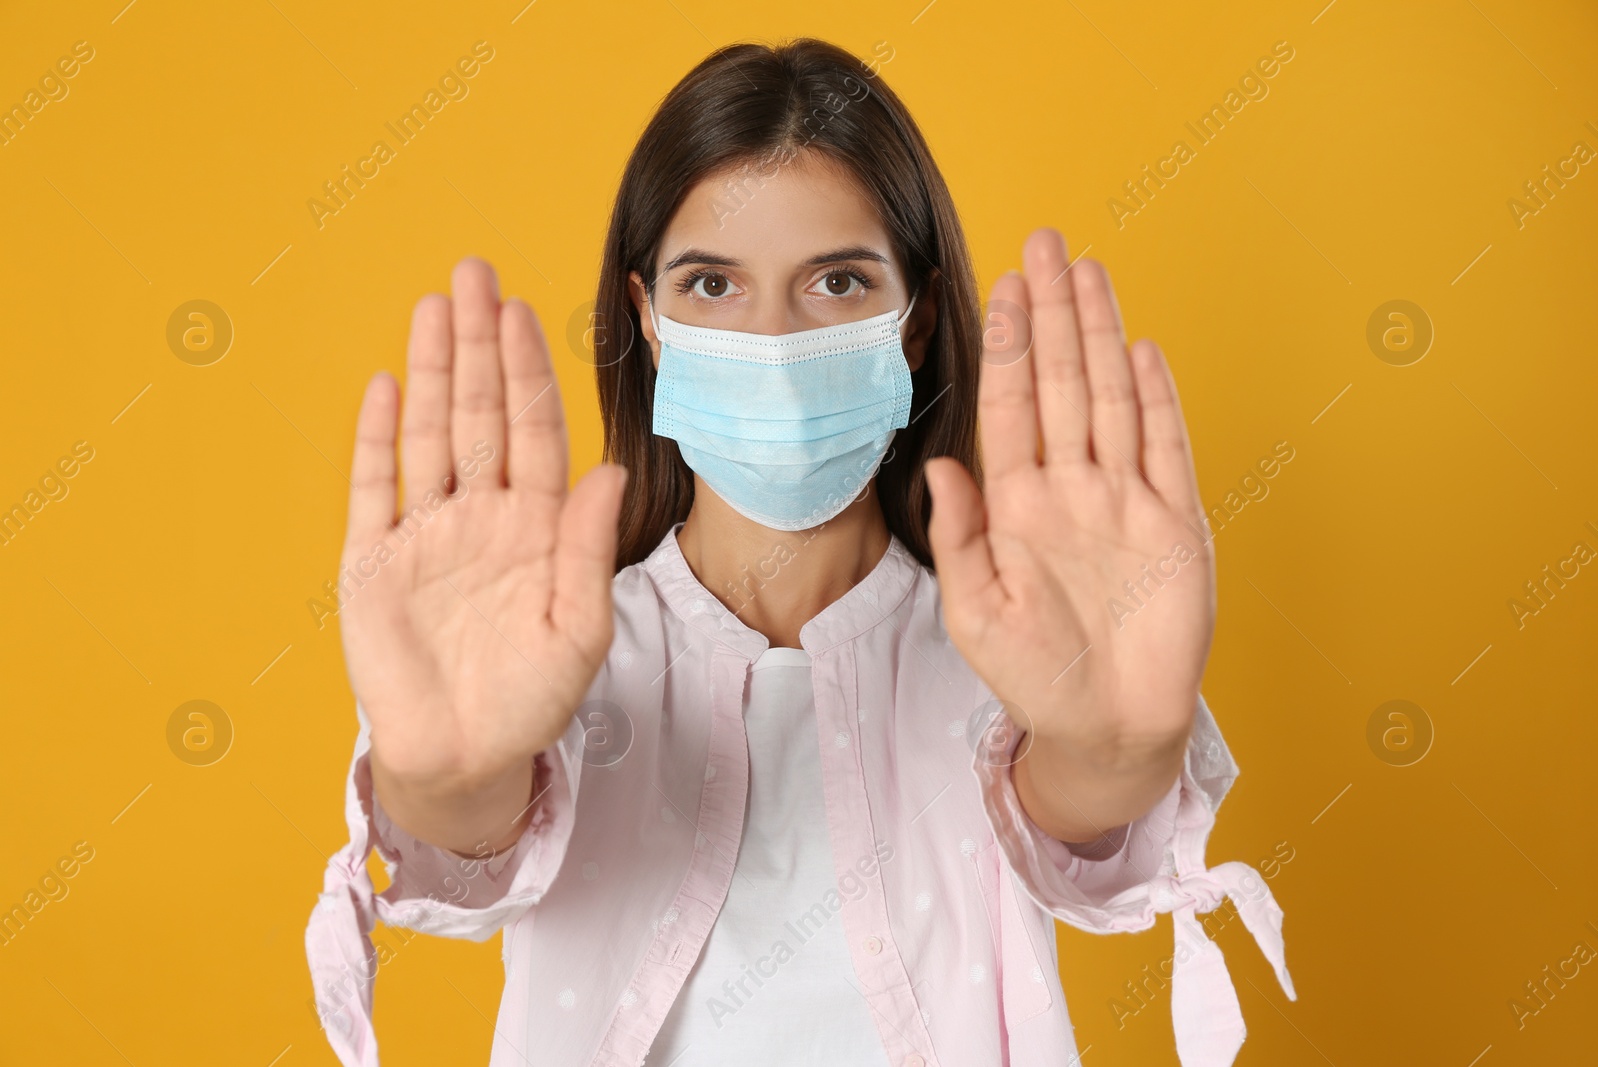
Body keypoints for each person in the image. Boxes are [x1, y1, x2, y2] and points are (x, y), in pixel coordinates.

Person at [304, 37, 1293, 1067]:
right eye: (712, 285)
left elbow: (1076, 820)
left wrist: (1113, 753)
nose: (774, 343)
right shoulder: (555, 649)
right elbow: (469, 847)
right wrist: (442, 778)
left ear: (911, 320)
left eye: (836, 281)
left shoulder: (1014, 639)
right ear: (646, 317)